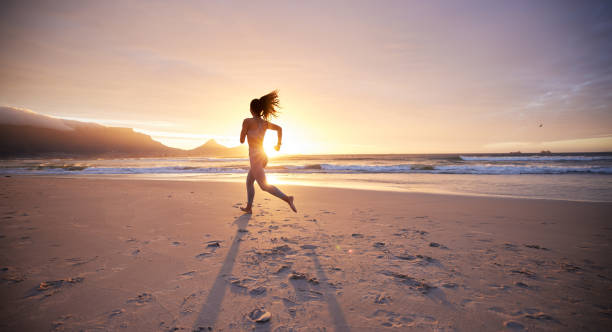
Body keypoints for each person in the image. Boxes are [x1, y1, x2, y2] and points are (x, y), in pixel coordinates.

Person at [239, 90, 297, 214]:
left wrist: (244, 131)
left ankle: (288, 198)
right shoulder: (264, 123)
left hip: (255, 157)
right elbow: (279, 129)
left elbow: (241, 140)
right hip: (263, 156)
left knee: (264, 186)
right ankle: (249, 207)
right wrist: (278, 144)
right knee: (249, 181)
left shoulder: (247, 121)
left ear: (251, 109)